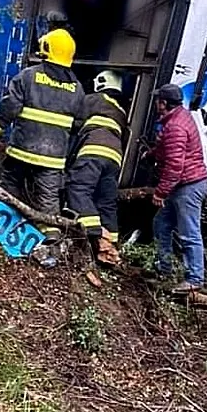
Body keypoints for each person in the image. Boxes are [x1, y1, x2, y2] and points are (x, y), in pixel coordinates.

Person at [0, 28, 85, 246]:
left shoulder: (29, 76)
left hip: (21, 149)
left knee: (10, 183)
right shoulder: (77, 88)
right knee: (49, 199)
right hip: (53, 158)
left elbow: (9, 107)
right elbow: (78, 125)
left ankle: (3, 224)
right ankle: (51, 235)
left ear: (47, 49)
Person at [151, 84, 207, 292]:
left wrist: (160, 192)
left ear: (164, 103)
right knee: (161, 225)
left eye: (158, 100)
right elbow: (169, 148)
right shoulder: (179, 118)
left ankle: (194, 279)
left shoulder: (175, 126)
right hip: (184, 185)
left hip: (187, 187)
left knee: (189, 233)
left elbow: (175, 165)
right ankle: (164, 269)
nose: (156, 104)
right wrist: (152, 154)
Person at [67, 70, 126, 266]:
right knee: (106, 201)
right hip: (115, 157)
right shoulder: (120, 110)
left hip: (93, 150)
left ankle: (97, 237)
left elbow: (72, 120)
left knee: (78, 189)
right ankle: (112, 244)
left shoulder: (94, 99)